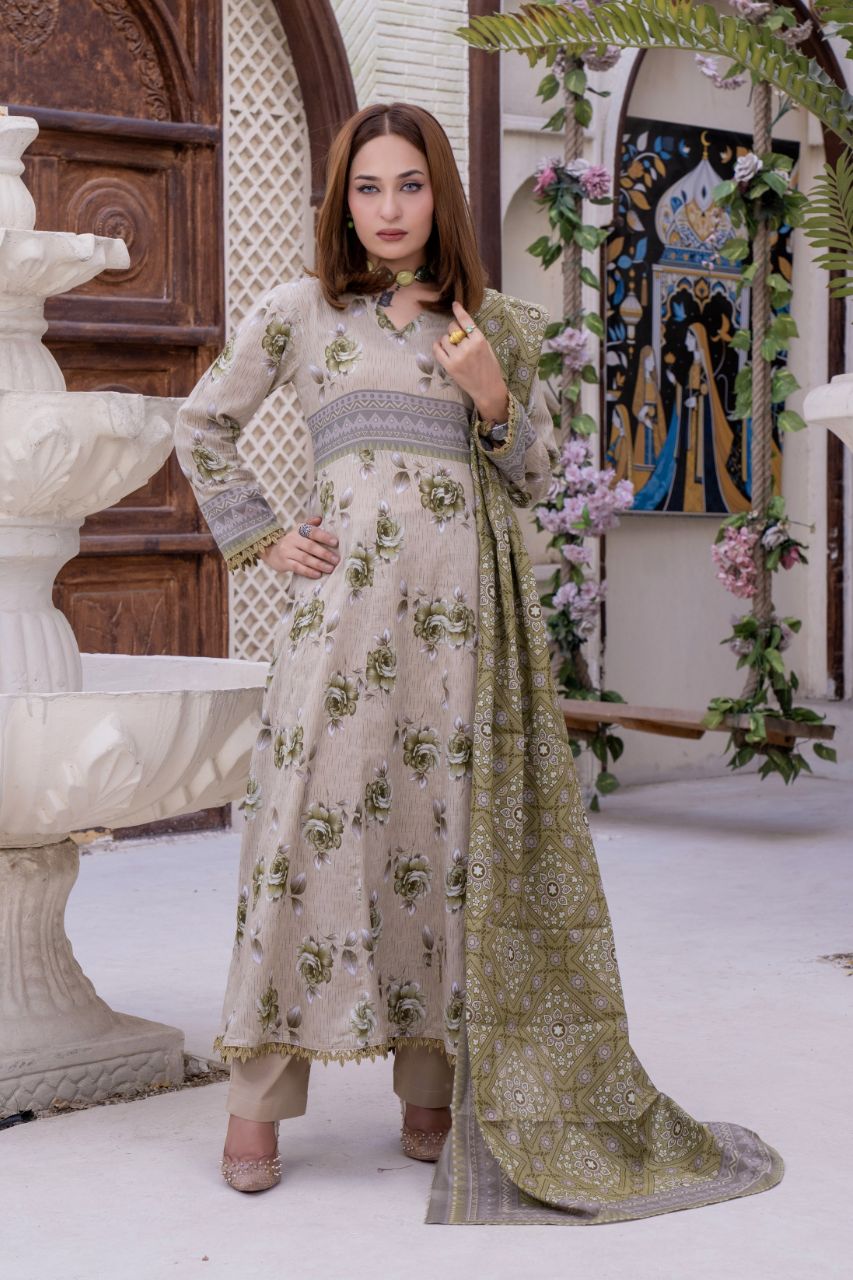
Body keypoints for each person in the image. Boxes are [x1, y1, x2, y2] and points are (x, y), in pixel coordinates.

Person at [174, 101, 558, 1193]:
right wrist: (262, 534)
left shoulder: (489, 326)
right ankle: (256, 1104)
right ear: (343, 202)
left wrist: (491, 396)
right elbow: (201, 423)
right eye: (367, 187)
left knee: (436, 841)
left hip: (458, 640)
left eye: (410, 184)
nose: (389, 208)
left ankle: (428, 1090)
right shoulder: (300, 311)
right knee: (303, 839)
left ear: (442, 195)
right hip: (339, 632)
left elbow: (535, 479)